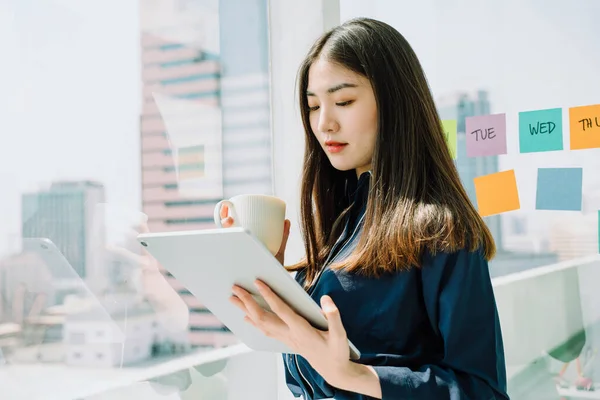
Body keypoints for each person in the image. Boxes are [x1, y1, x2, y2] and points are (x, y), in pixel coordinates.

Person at [223, 17, 508, 399]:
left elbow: (482, 390)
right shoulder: (340, 227)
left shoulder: (439, 230)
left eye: (343, 101)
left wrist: (356, 376)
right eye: (312, 106)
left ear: (395, 102)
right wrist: (267, 282)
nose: (324, 123)